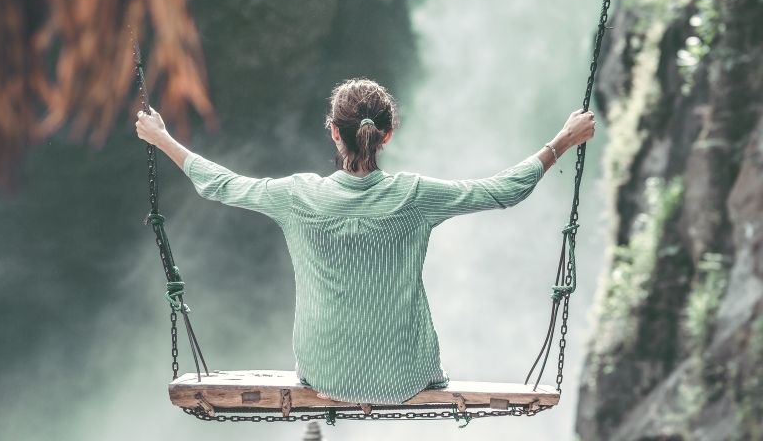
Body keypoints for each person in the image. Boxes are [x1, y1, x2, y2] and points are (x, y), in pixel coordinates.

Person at [135, 78, 596, 405]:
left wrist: (163, 139)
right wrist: (561, 141)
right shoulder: (416, 196)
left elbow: (221, 185)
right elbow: (502, 191)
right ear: (386, 136)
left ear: (334, 132)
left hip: (324, 374)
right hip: (406, 378)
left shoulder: (297, 196)